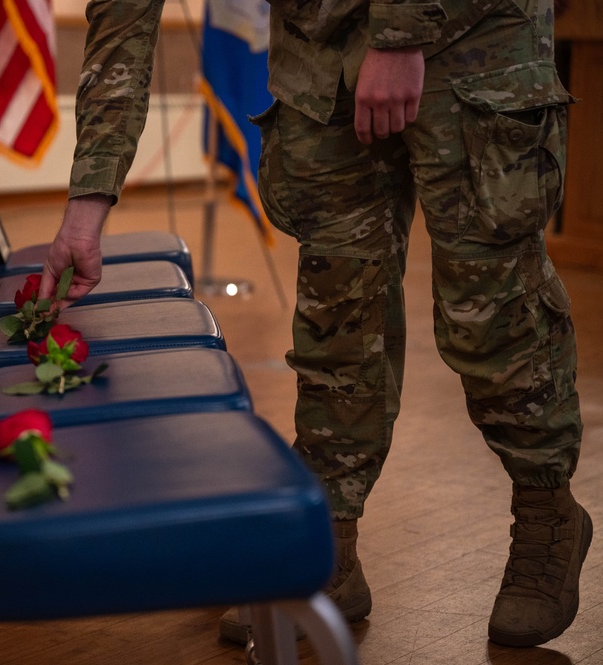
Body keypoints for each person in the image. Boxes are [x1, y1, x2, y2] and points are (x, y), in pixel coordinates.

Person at [37, 0, 591, 650]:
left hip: (470, 38)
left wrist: (399, 35)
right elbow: (123, 22)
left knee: (489, 308)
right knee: (336, 306)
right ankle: (328, 539)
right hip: (320, 55)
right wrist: (87, 199)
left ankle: (545, 510)